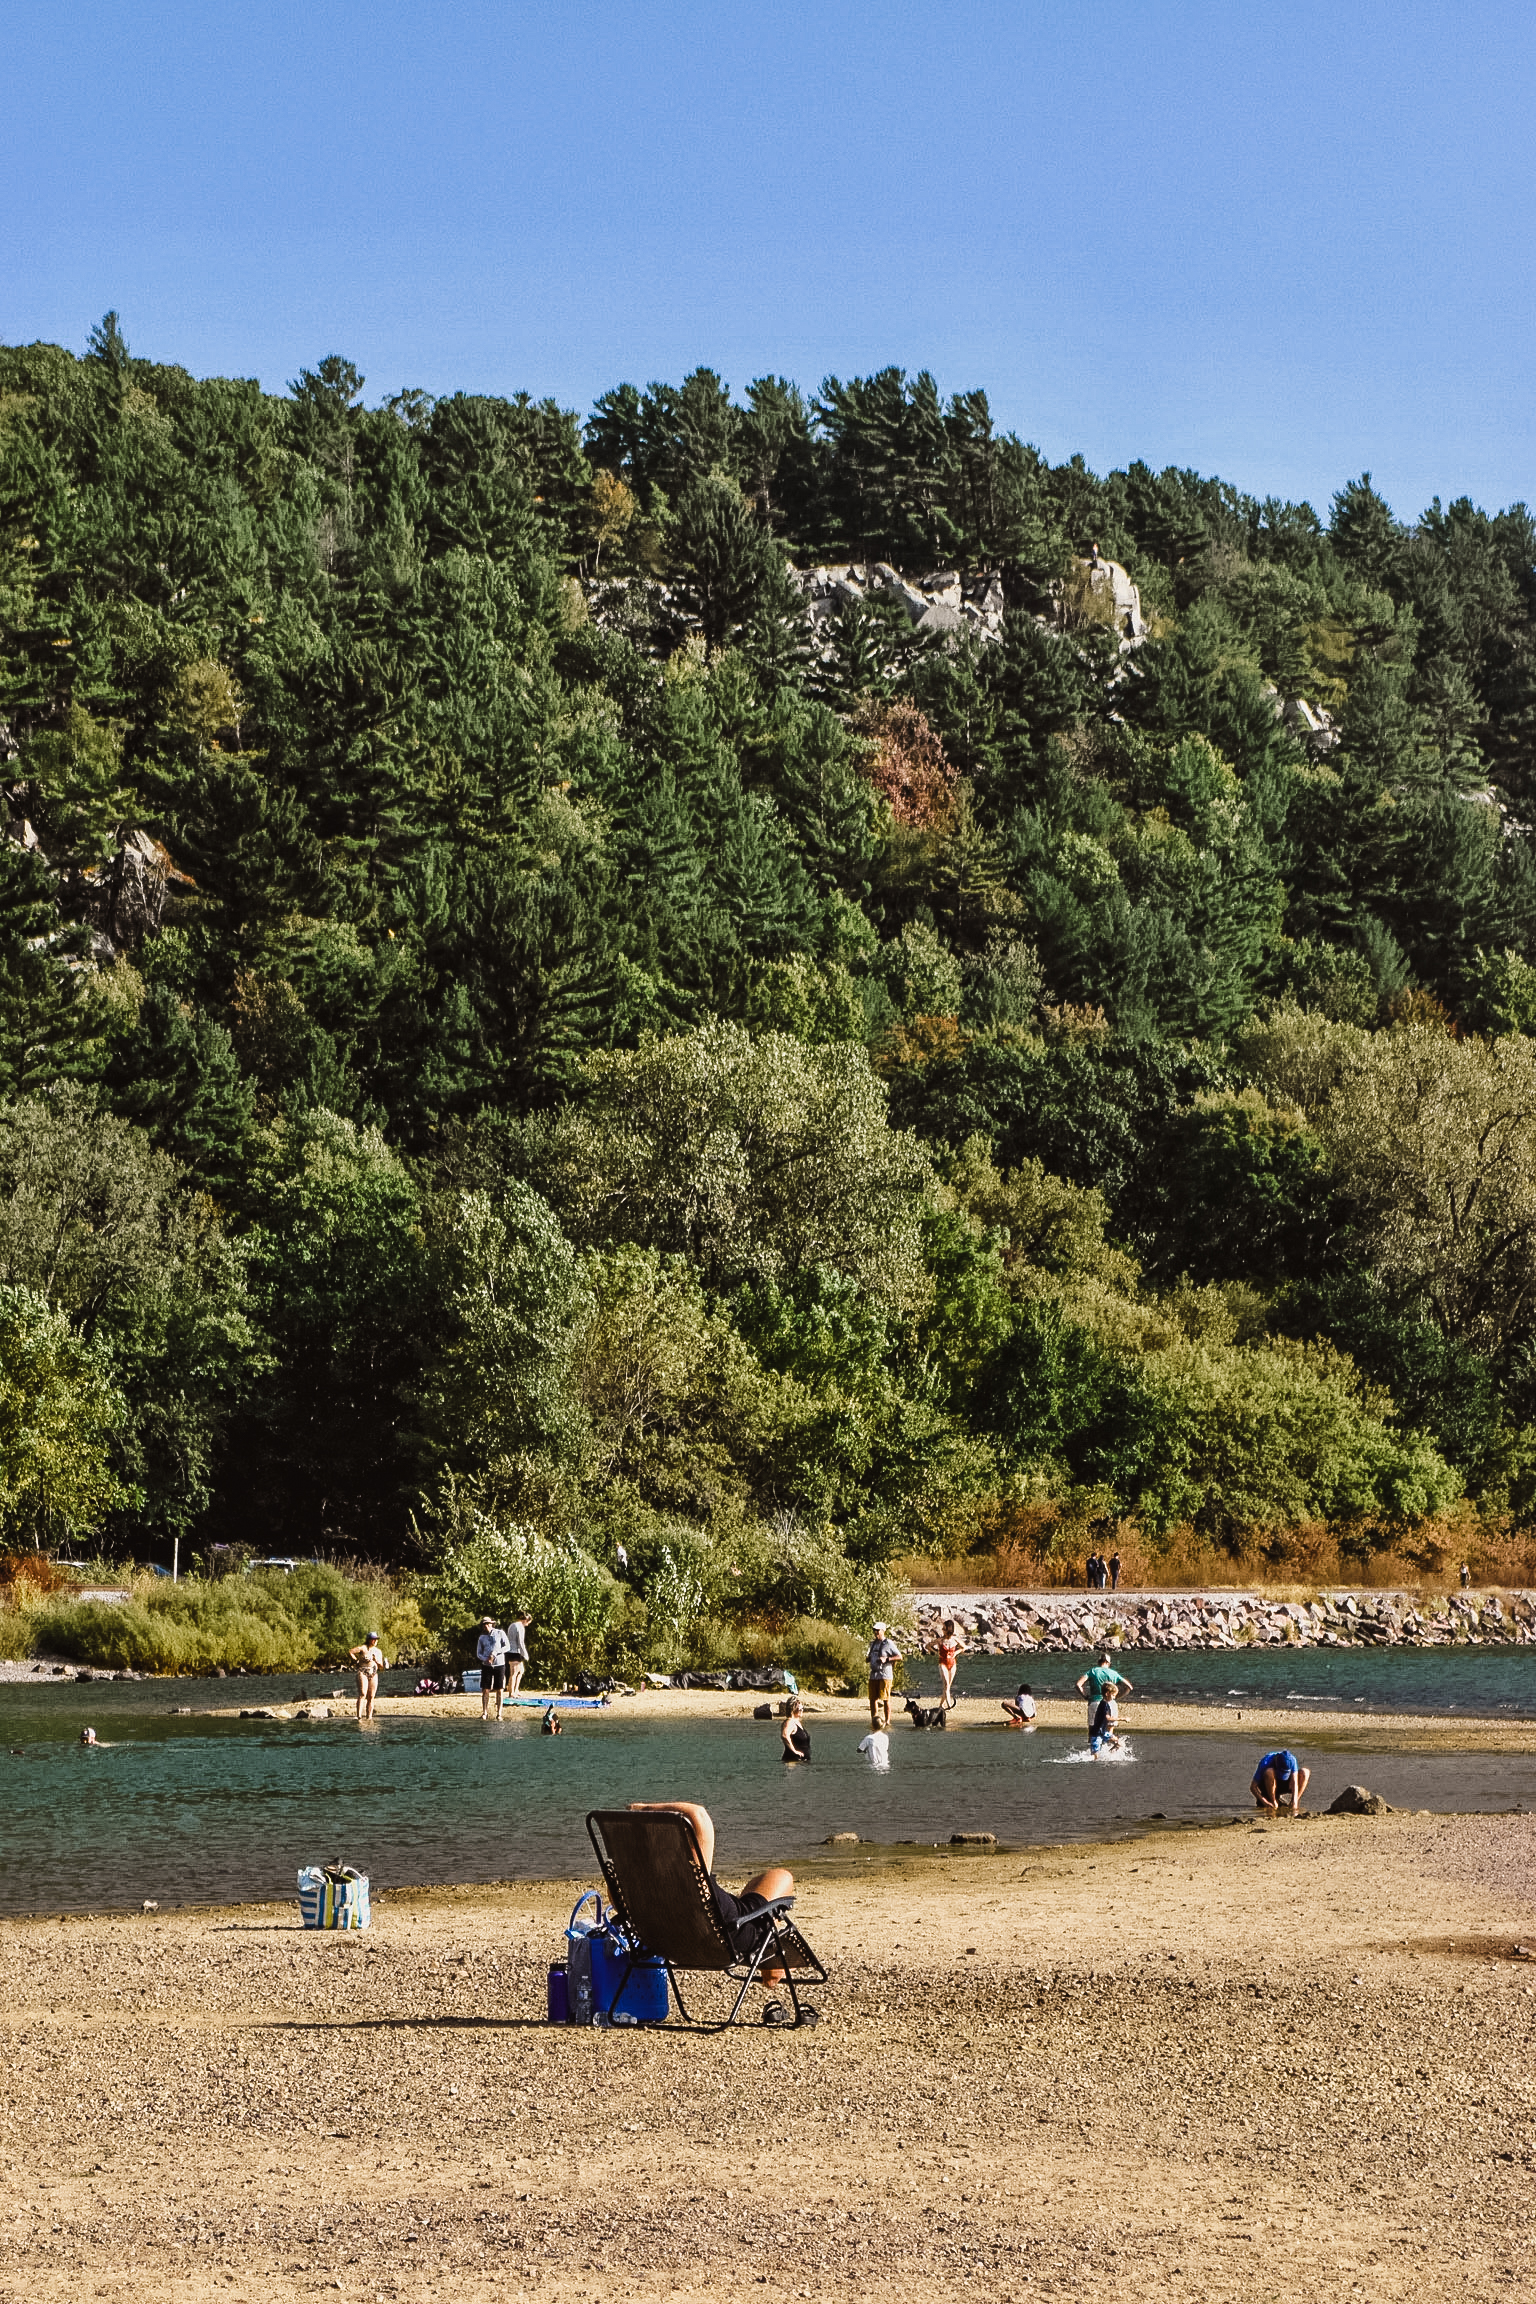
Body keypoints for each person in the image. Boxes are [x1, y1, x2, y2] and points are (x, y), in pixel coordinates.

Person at [627, 1801, 799, 2023]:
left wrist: (634, 1821)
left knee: (755, 1888)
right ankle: (772, 1959)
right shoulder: (695, 1876)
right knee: (782, 1877)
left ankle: (770, 1950)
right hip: (729, 1933)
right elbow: (699, 1814)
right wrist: (645, 1808)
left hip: (668, 1941)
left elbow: (620, 1904)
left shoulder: (636, 1882)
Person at [1076, 1650, 1132, 1733]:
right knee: (1109, 1731)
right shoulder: (1114, 1673)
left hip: (1095, 1702)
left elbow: (1078, 1684)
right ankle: (1112, 1745)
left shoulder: (1093, 1671)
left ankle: (1093, 1746)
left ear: (1099, 1662)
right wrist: (1117, 1696)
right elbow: (1129, 1687)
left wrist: (1085, 1696)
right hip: (1111, 1703)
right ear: (1108, 1663)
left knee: (1093, 1731)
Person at [1250, 1749, 1309, 1815]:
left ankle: (1291, 1803)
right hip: (1268, 1785)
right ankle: (1273, 1800)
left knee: (1305, 1772)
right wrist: (1264, 1802)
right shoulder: (1266, 1761)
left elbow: (1294, 1783)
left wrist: (1294, 1801)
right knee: (1269, 1772)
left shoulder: (1292, 1760)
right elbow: (1253, 1787)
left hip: (1284, 1784)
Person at [865, 1623, 902, 1730]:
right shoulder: (872, 1644)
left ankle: (887, 1721)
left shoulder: (889, 1643)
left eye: (878, 1630)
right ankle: (874, 1720)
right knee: (873, 1699)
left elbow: (899, 1656)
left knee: (885, 1699)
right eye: (874, 1630)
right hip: (874, 1674)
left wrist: (887, 1659)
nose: (876, 1632)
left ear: (883, 1631)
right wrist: (868, 1659)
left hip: (885, 1674)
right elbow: (869, 1656)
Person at [476, 1616, 510, 1720]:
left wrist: (495, 1653)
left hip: (499, 1664)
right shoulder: (482, 1638)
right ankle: (485, 1712)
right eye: (484, 1624)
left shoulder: (500, 1633)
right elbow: (478, 1653)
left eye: (488, 1624)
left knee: (499, 1689)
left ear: (492, 1624)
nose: (486, 1626)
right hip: (487, 1665)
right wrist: (485, 1658)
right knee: (485, 1689)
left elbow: (507, 1647)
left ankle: (499, 1713)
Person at [348, 1632, 387, 1722]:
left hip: (373, 1673)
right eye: (373, 1639)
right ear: (369, 1639)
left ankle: (369, 1717)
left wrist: (376, 1661)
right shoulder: (363, 1648)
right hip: (363, 1671)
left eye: (376, 1639)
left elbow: (381, 1667)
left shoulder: (378, 1651)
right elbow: (351, 1652)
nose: (375, 1641)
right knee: (362, 1693)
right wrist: (357, 1660)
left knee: (371, 1696)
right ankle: (359, 1716)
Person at [936, 1617, 963, 1709]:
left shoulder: (954, 1639)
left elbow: (964, 1647)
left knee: (947, 1686)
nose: (942, 1630)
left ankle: (941, 1705)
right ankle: (949, 1705)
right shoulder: (940, 1640)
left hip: (952, 1663)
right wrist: (937, 1653)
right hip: (943, 1663)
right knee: (946, 1684)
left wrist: (955, 1653)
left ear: (948, 1629)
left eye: (944, 1628)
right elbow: (928, 1646)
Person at [505, 1614, 531, 1696]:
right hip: (514, 1652)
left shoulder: (512, 1625)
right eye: (528, 1622)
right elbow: (520, 1641)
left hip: (513, 1651)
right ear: (526, 1620)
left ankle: (516, 1690)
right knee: (514, 1673)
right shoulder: (519, 1626)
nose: (527, 1625)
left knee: (521, 1671)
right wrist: (525, 1654)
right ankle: (511, 1692)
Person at [780, 1698, 812, 1763]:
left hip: (801, 1762)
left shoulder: (797, 1722)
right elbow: (784, 1735)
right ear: (793, 1709)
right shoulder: (790, 1722)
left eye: (802, 1708)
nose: (802, 1710)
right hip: (793, 1761)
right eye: (800, 1709)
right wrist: (794, 1751)